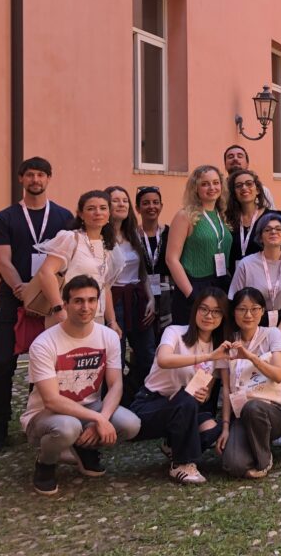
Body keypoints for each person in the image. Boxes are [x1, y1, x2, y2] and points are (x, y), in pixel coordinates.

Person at [21, 276, 141, 495]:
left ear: (98, 303)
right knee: (68, 427)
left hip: (88, 408)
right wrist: (98, 419)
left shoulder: (109, 337)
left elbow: (116, 386)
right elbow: (51, 399)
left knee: (131, 424)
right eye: (78, 301)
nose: (86, 307)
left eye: (91, 300)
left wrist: (101, 417)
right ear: (65, 304)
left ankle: (84, 447)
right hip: (46, 414)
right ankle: (45, 464)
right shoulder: (44, 343)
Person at [0, 157, 72, 453]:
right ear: (21, 179)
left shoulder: (63, 216)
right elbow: (2, 259)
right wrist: (19, 289)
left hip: (49, 301)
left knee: (46, 364)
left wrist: (46, 294)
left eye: (41, 174)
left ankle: (39, 422)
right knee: (1, 364)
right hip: (13, 299)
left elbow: (67, 262)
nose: (35, 179)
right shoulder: (5, 217)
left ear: (48, 178)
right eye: (30, 175)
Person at [130, 287, 232, 484]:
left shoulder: (217, 347)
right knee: (186, 399)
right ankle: (182, 463)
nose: (208, 316)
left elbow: (208, 390)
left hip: (183, 408)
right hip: (150, 404)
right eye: (203, 309)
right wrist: (208, 356)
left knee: (213, 429)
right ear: (195, 310)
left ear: (223, 316)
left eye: (216, 311)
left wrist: (206, 395)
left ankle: (172, 445)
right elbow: (163, 360)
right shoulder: (175, 332)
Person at [219, 287, 281, 478]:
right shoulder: (228, 341)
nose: (248, 314)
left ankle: (263, 460)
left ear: (262, 311)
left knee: (254, 408)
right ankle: (254, 443)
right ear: (233, 312)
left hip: (275, 411)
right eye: (242, 309)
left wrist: (251, 357)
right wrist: (226, 427)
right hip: (242, 414)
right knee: (234, 465)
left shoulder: (273, 334)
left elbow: (278, 375)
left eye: (254, 309)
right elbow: (226, 388)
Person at [229, 212, 281, 397]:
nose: (273, 232)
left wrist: (277, 332)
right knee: (255, 367)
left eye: (278, 229)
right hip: (253, 320)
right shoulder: (247, 264)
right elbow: (235, 299)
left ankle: (280, 405)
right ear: (260, 236)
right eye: (268, 229)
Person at [36, 190, 125, 331]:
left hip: (97, 319)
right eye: (91, 208)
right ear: (81, 214)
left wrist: (112, 321)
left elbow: (105, 286)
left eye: (103, 208)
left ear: (109, 214)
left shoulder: (107, 246)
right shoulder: (71, 239)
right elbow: (45, 273)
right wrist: (59, 309)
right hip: (68, 316)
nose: (98, 212)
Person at [165, 165, 233, 325]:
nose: (212, 187)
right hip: (194, 286)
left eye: (216, 182)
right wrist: (191, 294)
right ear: (195, 188)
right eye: (205, 184)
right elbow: (171, 259)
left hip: (220, 284)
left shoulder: (221, 215)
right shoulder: (185, 216)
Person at [106, 185, 157, 397]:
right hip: (113, 300)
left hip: (138, 298)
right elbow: (104, 282)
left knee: (147, 354)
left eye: (124, 200)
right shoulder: (100, 238)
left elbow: (142, 271)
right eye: (115, 200)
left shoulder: (133, 235)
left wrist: (151, 299)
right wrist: (111, 319)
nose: (121, 204)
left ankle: (145, 400)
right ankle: (113, 404)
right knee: (114, 356)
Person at [136, 185, 171, 331]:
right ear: (138, 208)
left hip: (167, 292)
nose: (151, 206)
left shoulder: (170, 233)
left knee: (166, 335)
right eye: (146, 203)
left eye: (155, 202)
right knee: (145, 339)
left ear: (161, 206)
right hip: (142, 292)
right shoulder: (132, 236)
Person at [224, 168, 267, 275]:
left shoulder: (271, 218)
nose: (244, 188)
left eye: (249, 184)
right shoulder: (226, 219)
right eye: (239, 186)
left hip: (263, 279)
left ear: (258, 190)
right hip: (234, 280)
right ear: (234, 193)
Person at [223, 144, 276, 209]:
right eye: (230, 157)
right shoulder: (219, 191)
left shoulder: (263, 191)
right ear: (225, 164)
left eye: (240, 156)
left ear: (247, 163)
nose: (235, 158)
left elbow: (271, 215)